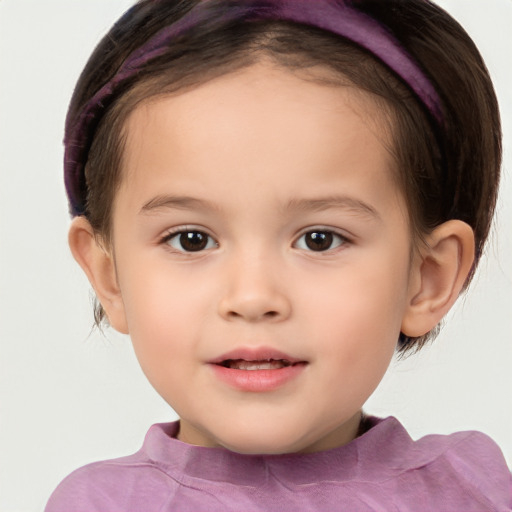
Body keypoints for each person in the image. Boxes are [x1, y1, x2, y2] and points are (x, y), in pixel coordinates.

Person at [45, 0, 511, 510]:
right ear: (109, 277)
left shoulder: (471, 491)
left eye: (319, 239)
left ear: (427, 277)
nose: (252, 297)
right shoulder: (100, 505)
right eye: (191, 239)